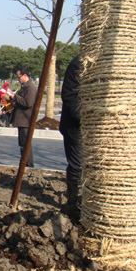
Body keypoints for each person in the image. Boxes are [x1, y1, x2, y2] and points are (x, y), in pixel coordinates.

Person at [59, 54, 81, 221]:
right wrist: (87, 118)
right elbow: (69, 96)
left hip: (95, 128)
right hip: (76, 126)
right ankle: (72, 203)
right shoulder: (78, 63)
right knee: (77, 164)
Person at [2, 66, 36, 168]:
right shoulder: (25, 86)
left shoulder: (29, 87)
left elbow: (28, 103)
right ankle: (25, 162)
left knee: (25, 143)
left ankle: (28, 164)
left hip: (25, 119)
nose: (18, 79)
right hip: (22, 120)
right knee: (23, 143)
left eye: (19, 77)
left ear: (25, 75)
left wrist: (14, 96)